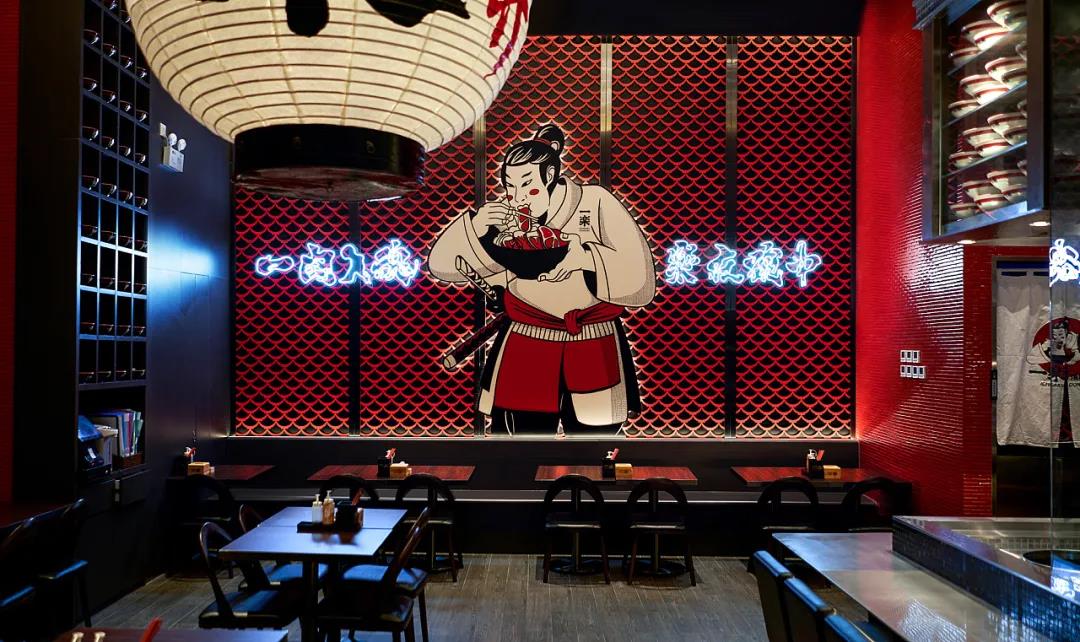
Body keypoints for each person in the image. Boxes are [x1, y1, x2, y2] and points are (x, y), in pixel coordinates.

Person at [428, 124, 656, 436]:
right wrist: (477, 225)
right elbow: (441, 265)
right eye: (510, 186)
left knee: (595, 444)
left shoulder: (595, 202)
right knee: (520, 443)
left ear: (549, 176)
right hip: (527, 340)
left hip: (592, 338)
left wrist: (585, 258)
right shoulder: (505, 218)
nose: (518, 197)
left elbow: (642, 282)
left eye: (526, 184)